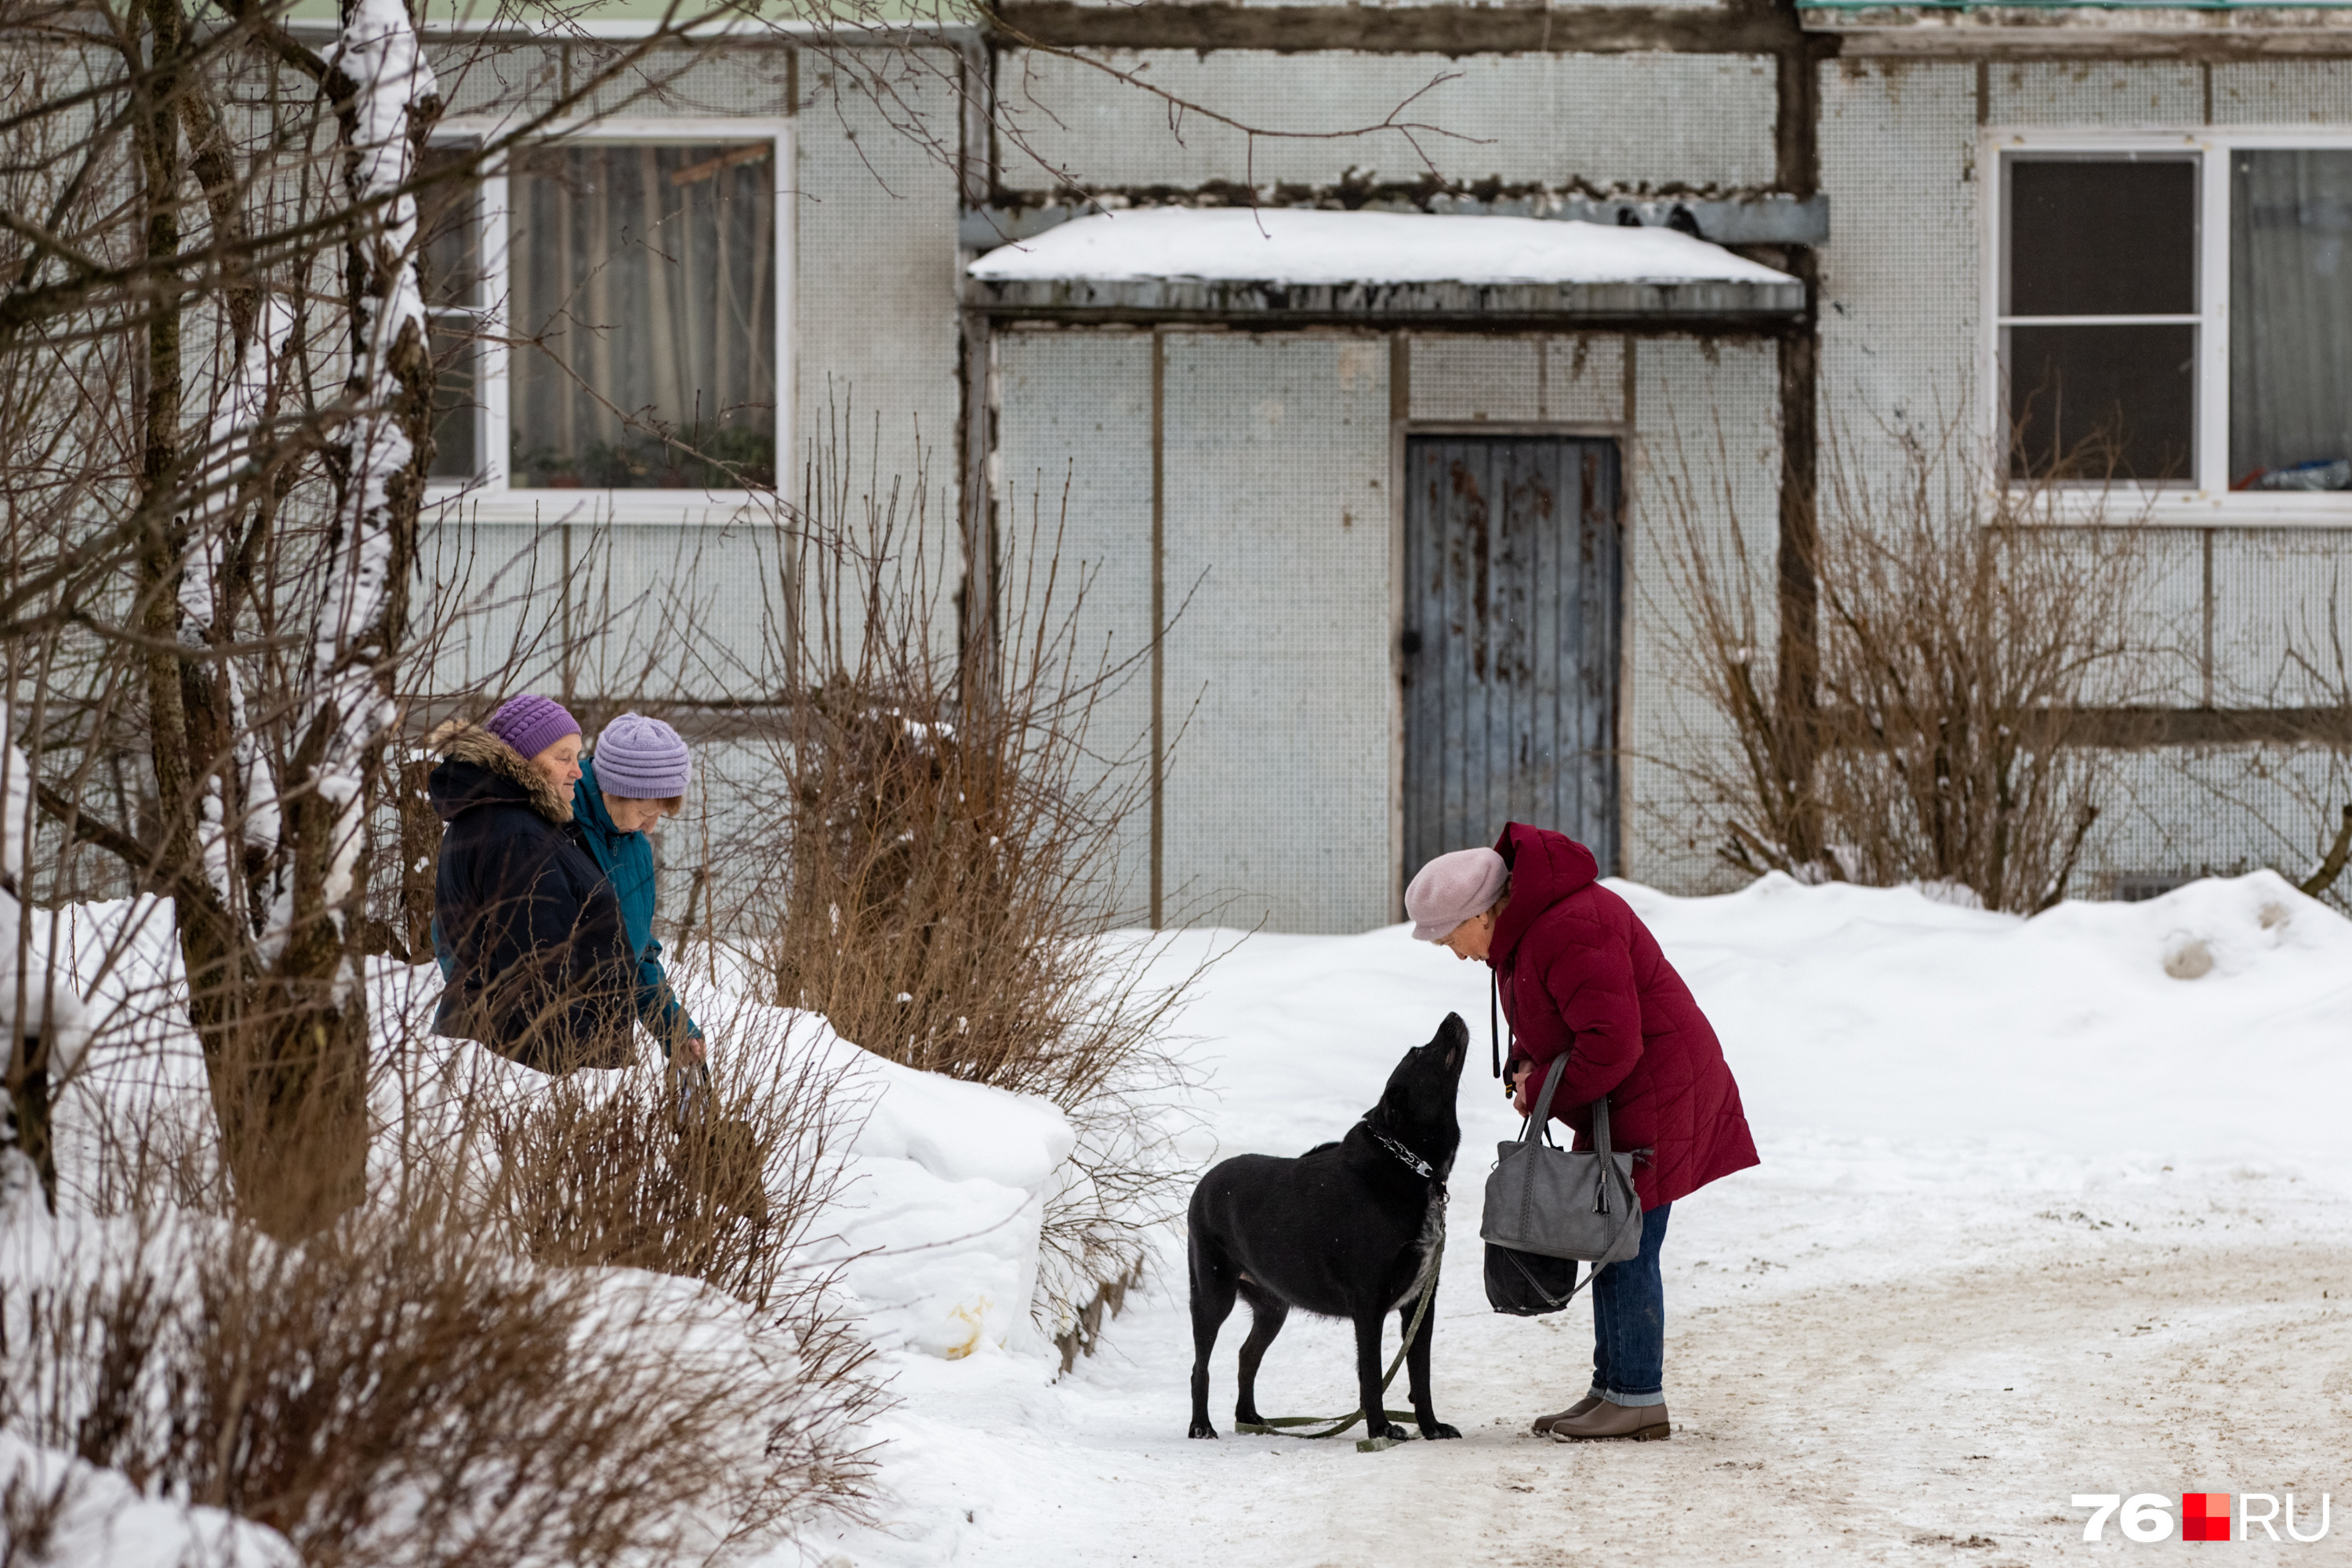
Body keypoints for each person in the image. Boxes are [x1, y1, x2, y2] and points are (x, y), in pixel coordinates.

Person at [1405, 823, 1758, 1443]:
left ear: (1480, 914)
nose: (1454, 953)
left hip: (1656, 1091)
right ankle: (1611, 1387)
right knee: (1609, 1235)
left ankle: (1637, 1396)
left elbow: (1611, 1042)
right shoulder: (1529, 929)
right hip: (1621, 1096)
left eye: (1448, 936)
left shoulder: (1570, 926)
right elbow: (1559, 1011)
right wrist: (1525, 1059)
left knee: (1627, 1240)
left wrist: (1540, 1090)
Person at [429, 694, 637, 1072]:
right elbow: (538, 976)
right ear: (522, 761)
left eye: (577, 757)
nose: (577, 771)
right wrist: (579, 1061)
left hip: (517, 1057)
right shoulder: (519, 836)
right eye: (563, 758)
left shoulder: (509, 823)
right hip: (534, 1067)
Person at [572, 712, 706, 1066]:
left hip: (608, 1046)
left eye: (660, 813)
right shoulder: (559, 828)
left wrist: (674, 1030)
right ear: (614, 790)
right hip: (549, 1053)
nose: (651, 825)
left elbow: (638, 954)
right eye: (646, 811)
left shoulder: (636, 847)